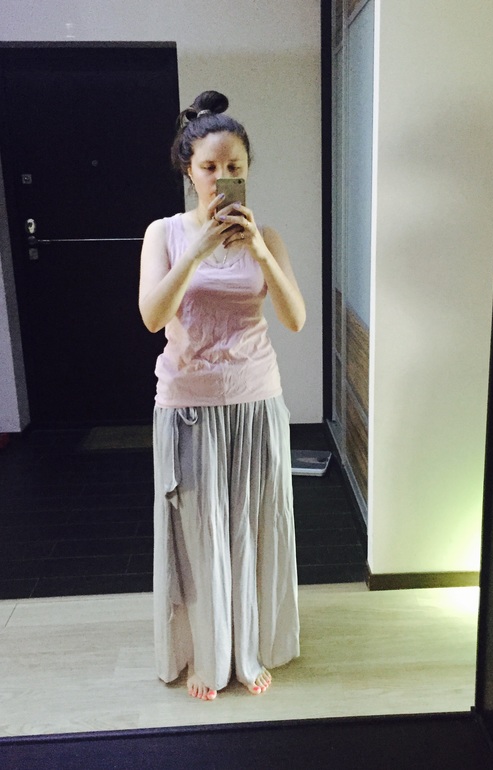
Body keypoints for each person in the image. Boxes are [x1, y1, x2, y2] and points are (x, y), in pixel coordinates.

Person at [138, 90, 305, 701]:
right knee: (200, 534)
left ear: (246, 170)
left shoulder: (268, 236)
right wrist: (200, 251)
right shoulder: (163, 234)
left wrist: (257, 248)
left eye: (234, 166)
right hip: (188, 406)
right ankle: (208, 655)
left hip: (256, 400)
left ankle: (250, 647)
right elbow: (153, 317)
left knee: (254, 528)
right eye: (209, 166)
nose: (221, 177)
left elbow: (295, 319)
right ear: (189, 170)